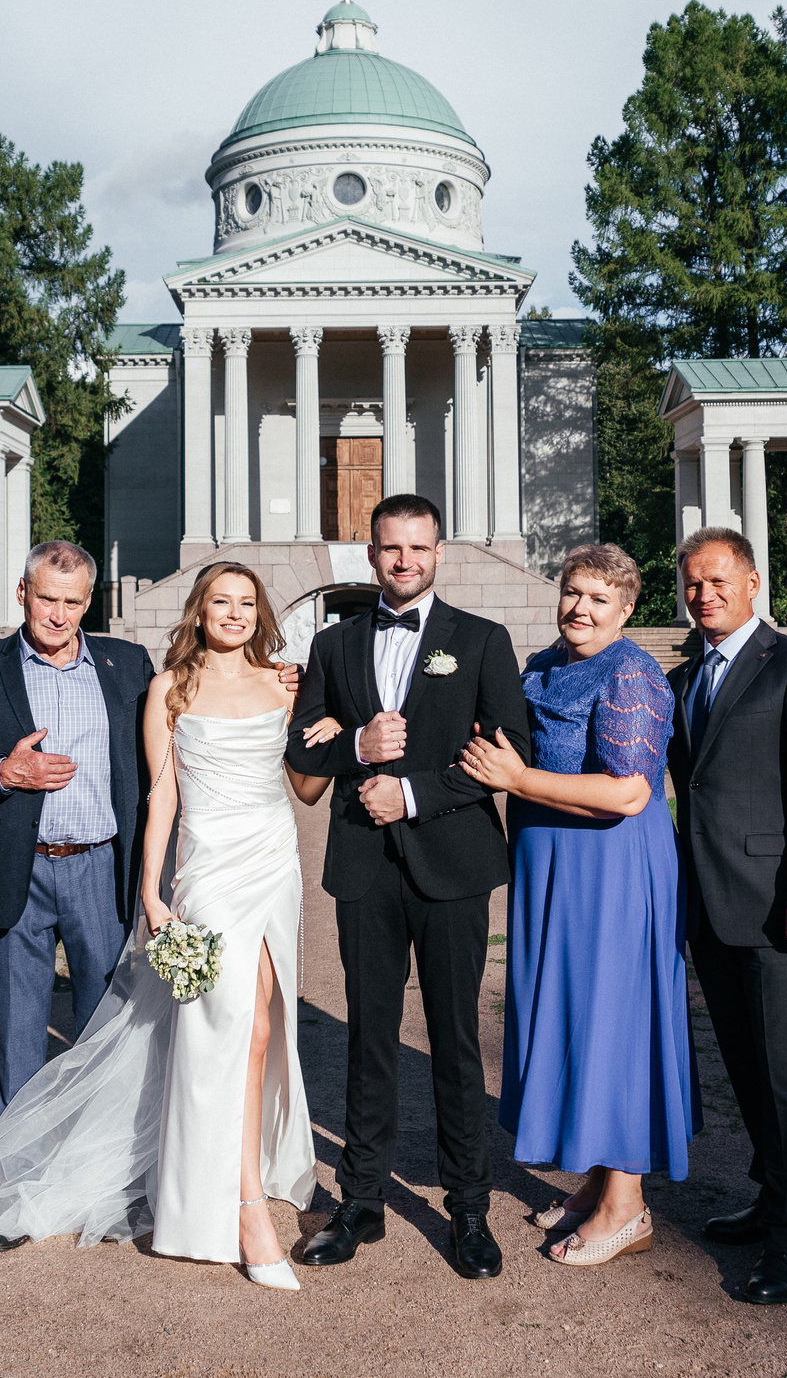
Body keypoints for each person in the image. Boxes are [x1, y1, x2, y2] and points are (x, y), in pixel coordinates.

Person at [0, 564, 332, 1289]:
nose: (234, 612)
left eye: (247, 602)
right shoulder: (168, 688)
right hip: (212, 872)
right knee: (227, 1029)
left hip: (274, 867)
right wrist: (154, 896)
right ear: (200, 609)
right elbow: (160, 799)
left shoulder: (282, 684)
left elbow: (306, 783)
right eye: (221, 600)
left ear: (260, 614)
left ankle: (234, 1181)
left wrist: (334, 725)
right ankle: (243, 1208)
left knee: (261, 1029)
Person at [285, 493, 534, 1281]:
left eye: (418, 548)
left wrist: (415, 791)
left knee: (456, 1039)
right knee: (369, 1034)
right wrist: (357, 745)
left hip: (453, 863)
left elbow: (508, 749)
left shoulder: (483, 639)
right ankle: (361, 1200)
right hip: (363, 864)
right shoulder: (333, 643)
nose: (404, 561)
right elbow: (304, 746)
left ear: (438, 552)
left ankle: (468, 1206)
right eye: (391, 548)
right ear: (371, 553)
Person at [456, 542, 692, 1268]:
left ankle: (629, 1205)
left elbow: (628, 791)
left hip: (612, 867)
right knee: (570, 1012)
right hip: (552, 865)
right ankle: (597, 1179)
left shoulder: (632, 671)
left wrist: (519, 779)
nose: (580, 607)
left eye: (599, 598)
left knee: (613, 1021)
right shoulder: (542, 664)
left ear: (626, 609)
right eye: (572, 591)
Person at [0, 540, 154, 1222]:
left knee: (103, 1034)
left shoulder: (127, 664)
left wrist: (276, 682)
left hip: (101, 869)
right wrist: (1, 773)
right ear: (22, 592)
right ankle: (12, 1195)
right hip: (13, 869)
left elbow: (182, 722)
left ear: (90, 601)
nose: (58, 613)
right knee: (19, 1038)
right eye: (46, 597)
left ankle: (103, 1187)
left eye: (73, 601)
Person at [666, 526, 787, 1308]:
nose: (702, 594)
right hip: (712, 908)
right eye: (691, 584)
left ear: (752, 583)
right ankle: (771, 1197)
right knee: (749, 1070)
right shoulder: (684, 678)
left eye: (716, 581)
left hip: (783, 910)